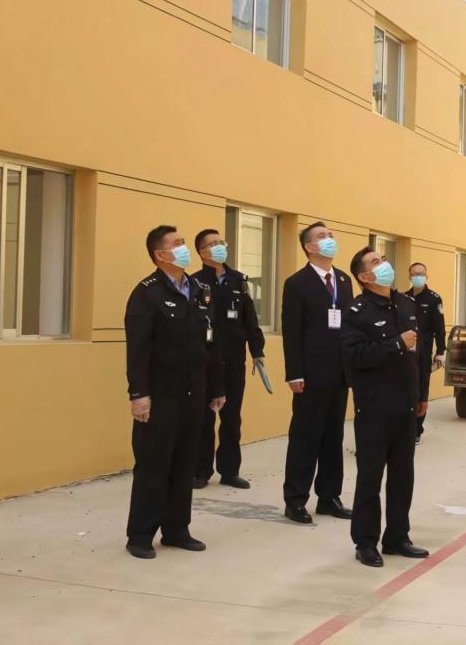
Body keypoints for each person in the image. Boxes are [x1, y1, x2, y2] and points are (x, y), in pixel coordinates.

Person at [124, 225, 226, 559]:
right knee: (153, 465)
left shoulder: (198, 289)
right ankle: (140, 535)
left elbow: (210, 343)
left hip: (194, 392)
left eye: (183, 242)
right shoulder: (147, 293)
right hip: (160, 394)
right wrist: (139, 394)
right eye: (177, 244)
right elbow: (138, 350)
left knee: (185, 464)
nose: (184, 248)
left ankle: (177, 529)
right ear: (160, 254)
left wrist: (216, 387)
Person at [342, 247, 428, 567]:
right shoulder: (356, 311)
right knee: (370, 477)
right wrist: (396, 343)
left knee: (403, 476)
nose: (384, 265)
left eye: (384, 259)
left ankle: (397, 537)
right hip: (374, 407)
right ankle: (365, 542)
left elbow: (417, 356)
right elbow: (356, 358)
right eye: (376, 262)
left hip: (405, 404)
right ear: (364, 276)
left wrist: (421, 395)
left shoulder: (406, 304)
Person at [281, 222, 354, 523]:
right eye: (322, 237)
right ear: (309, 247)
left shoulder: (344, 280)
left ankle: (329, 496)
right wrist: (294, 372)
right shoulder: (297, 283)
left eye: (331, 236)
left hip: (340, 374)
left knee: (333, 437)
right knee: (305, 437)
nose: (329, 240)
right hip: (310, 375)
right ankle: (295, 499)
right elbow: (291, 331)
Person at [191, 229, 265, 490]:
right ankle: (200, 470)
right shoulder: (194, 282)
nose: (220, 246)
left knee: (232, 418)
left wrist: (257, 351)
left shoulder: (238, 280)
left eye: (221, 241)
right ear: (202, 252)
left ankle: (230, 470)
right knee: (204, 417)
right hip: (206, 360)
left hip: (234, 360)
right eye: (213, 244)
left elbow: (250, 320)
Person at [403, 263, 446, 444]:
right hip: (407, 351)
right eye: (414, 274)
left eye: (421, 274)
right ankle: (405, 427)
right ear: (409, 276)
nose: (418, 276)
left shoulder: (434, 299)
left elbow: (440, 328)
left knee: (422, 387)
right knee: (407, 387)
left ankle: (417, 429)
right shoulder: (403, 298)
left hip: (425, 350)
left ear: (426, 276)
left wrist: (441, 351)